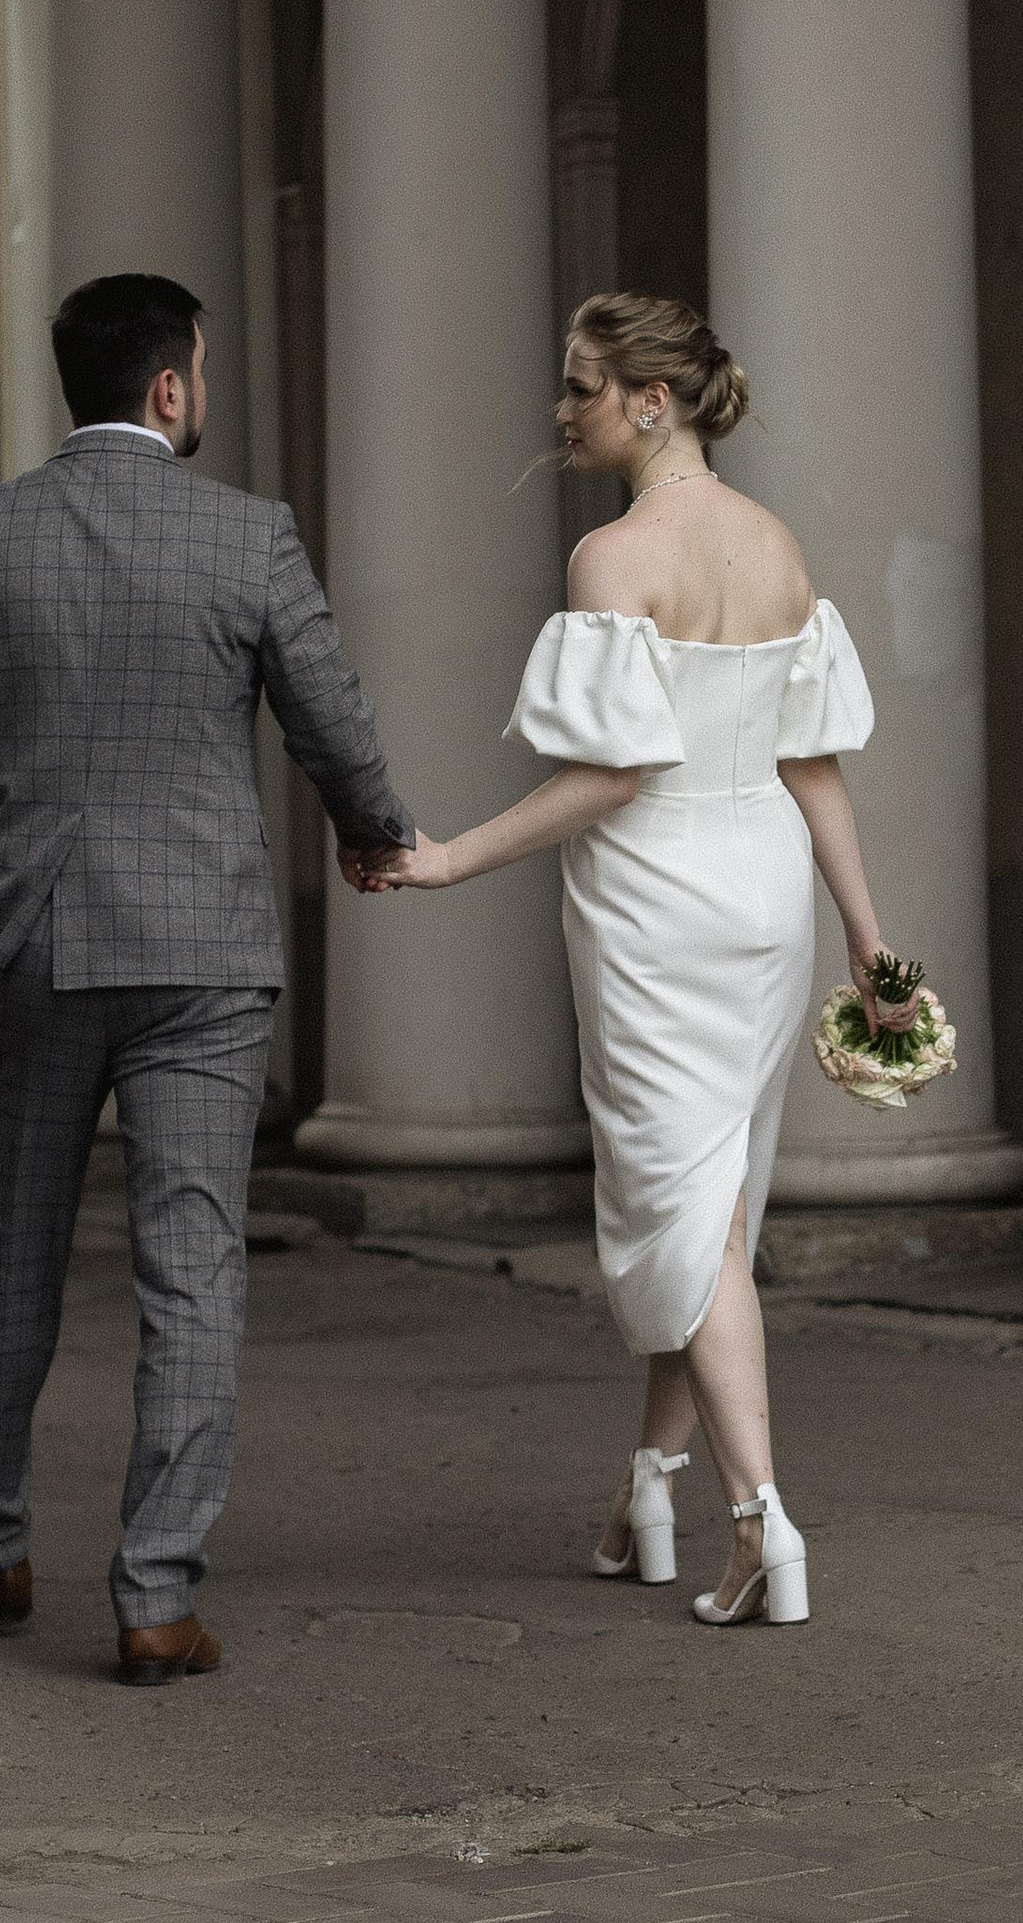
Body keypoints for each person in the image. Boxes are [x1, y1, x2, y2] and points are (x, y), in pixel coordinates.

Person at [0, 271, 411, 1685]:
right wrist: (372, 832)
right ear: (173, 386)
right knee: (191, 1264)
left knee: (13, 1249)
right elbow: (331, 719)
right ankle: (157, 1595)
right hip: (202, 955)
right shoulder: (249, 538)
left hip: (31, 943)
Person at [357, 294, 887, 1629]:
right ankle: (649, 1483)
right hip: (765, 894)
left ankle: (762, 1519)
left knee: (682, 1206)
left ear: (655, 403)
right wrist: (870, 935)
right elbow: (809, 764)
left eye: (584, 386)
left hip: (659, 899)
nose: (565, 408)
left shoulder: (614, 559)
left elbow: (613, 774)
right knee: (704, 1210)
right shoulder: (776, 545)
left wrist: (450, 858)